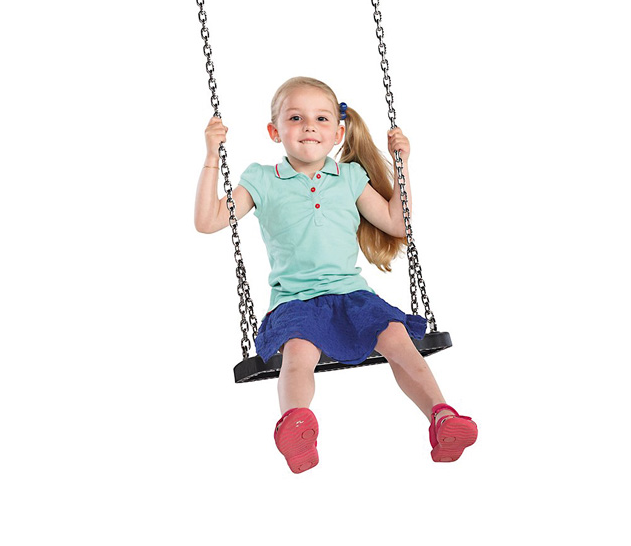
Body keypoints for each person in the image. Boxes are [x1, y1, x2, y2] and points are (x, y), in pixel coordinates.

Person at [194, 76, 478, 473]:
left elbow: (397, 223)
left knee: (399, 340)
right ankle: (296, 426)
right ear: (275, 131)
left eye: (321, 118)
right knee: (298, 353)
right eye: (296, 117)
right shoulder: (261, 180)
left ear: (338, 133)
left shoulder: (350, 178)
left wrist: (401, 165)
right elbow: (208, 221)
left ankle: (442, 417)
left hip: (353, 297)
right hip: (295, 301)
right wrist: (212, 156)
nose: (309, 126)